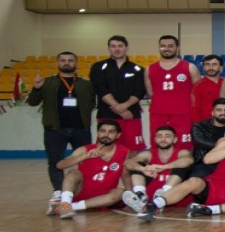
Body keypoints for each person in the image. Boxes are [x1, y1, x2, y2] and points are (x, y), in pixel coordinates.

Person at [138, 110, 225, 221]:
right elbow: (208, 159)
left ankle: (208, 210)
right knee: (194, 182)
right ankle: (153, 205)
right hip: (214, 189)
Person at [27, 51, 96, 201]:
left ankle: (87, 190)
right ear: (58, 63)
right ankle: (59, 191)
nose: (67, 63)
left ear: (76, 63)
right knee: (55, 161)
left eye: (70, 60)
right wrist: (36, 88)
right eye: (63, 60)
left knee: (87, 161)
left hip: (81, 129)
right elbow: (32, 102)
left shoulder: (85, 84)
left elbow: (92, 103)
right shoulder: (47, 82)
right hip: (55, 130)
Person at [45, 120, 129, 219]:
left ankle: (68, 207)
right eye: (102, 131)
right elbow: (59, 165)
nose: (106, 135)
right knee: (73, 173)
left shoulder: (124, 152)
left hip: (103, 197)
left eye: (111, 132)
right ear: (98, 133)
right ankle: (65, 204)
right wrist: (84, 157)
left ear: (118, 135)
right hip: (80, 192)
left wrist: (132, 197)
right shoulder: (85, 150)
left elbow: (125, 175)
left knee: (120, 192)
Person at [89, 35, 147, 152]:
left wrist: (124, 107)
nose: (117, 49)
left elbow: (140, 91)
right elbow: (101, 89)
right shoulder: (98, 67)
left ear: (126, 48)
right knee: (105, 149)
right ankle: (106, 171)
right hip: (106, 114)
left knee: (132, 149)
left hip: (131, 115)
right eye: (113, 46)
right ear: (109, 48)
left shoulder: (138, 69)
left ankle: (131, 171)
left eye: (120, 46)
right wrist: (120, 109)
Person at [121, 125, 194, 213]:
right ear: (155, 139)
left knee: (183, 165)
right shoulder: (149, 154)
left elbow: (188, 160)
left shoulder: (181, 152)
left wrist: (164, 167)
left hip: (174, 199)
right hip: (150, 199)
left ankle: (164, 194)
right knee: (136, 165)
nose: (163, 139)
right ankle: (140, 195)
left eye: (167, 136)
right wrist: (143, 169)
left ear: (175, 139)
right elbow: (128, 163)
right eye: (159, 136)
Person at [145, 35, 200, 150]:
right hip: (158, 114)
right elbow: (151, 92)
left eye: (170, 46)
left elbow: (197, 93)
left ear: (177, 48)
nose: (166, 49)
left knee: (184, 146)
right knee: (159, 145)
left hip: (183, 115)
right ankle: (159, 167)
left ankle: (181, 168)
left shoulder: (190, 67)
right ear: (159, 48)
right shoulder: (150, 68)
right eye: (163, 46)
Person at [187, 98, 225, 181]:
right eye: (219, 110)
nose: (223, 113)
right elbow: (199, 142)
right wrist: (224, 145)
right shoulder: (199, 126)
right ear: (213, 113)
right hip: (204, 163)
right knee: (194, 181)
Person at [192, 54, 224, 123]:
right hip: (206, 124)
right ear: (203, 67)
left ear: (221, 67)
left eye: (214, 64)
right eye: (207, 64)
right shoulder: (197, 86)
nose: (211, 67)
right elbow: (195, 110)